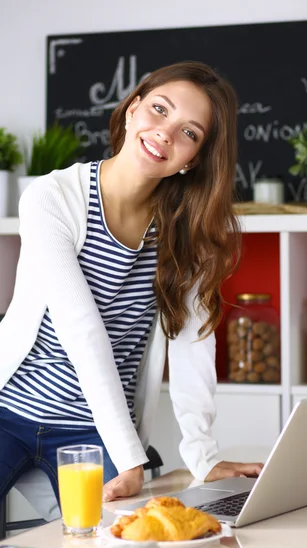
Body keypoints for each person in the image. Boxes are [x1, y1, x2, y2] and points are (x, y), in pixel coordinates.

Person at [0, 61, 263, 512]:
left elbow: (191, 344)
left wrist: (203, 456)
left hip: (93, 430)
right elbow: (82, 331)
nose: (165, 133)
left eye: (189, 133)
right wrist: (128, 455)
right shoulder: (51, 198)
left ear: (193, 159)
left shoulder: (187, 232)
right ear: (132, 109)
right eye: (159, 109)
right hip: (9, 411)